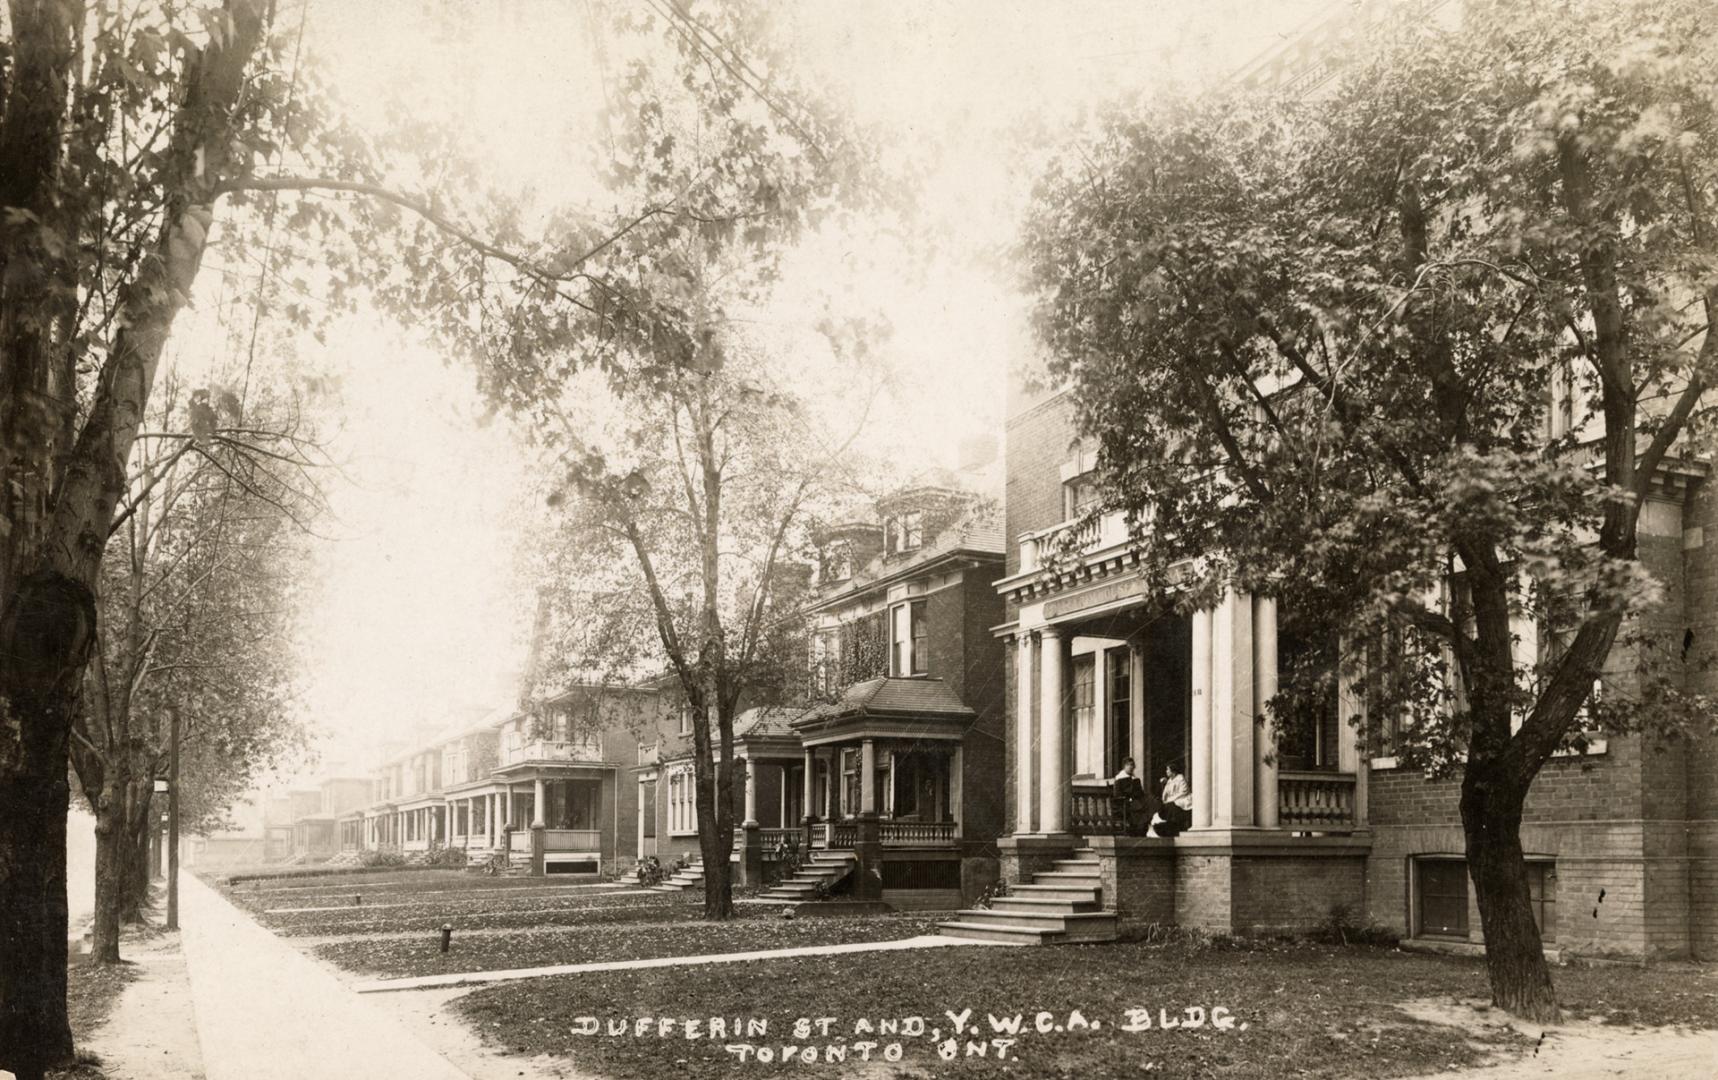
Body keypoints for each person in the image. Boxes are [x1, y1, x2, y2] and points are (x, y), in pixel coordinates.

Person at [1150, 760, 1192, 837]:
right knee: (1162, 806)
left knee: (1172, 806)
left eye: (1168, 770)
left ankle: (1174, 827)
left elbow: (1183, 792)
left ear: (1173, 771)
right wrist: (1165, 784)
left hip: (1182, 799)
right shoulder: (1169, 780)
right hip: (1172, 800)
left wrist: (1171, 799)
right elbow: (1165, 794)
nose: (1166, 771)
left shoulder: (1180, 778)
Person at [1110, 757, 1147, 834]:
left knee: (1148, 805)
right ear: (1124, 766)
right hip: (1123, 803)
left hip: (1136, 801)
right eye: (1128, 765)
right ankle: (1135, 830)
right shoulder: (1119, 779)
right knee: (1137, 808)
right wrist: (1129, 798)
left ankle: (1142, 830)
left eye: (1132, 765)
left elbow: (1140, 793)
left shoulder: (1136, 779)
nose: (1131, 767)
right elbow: (1117, 794)